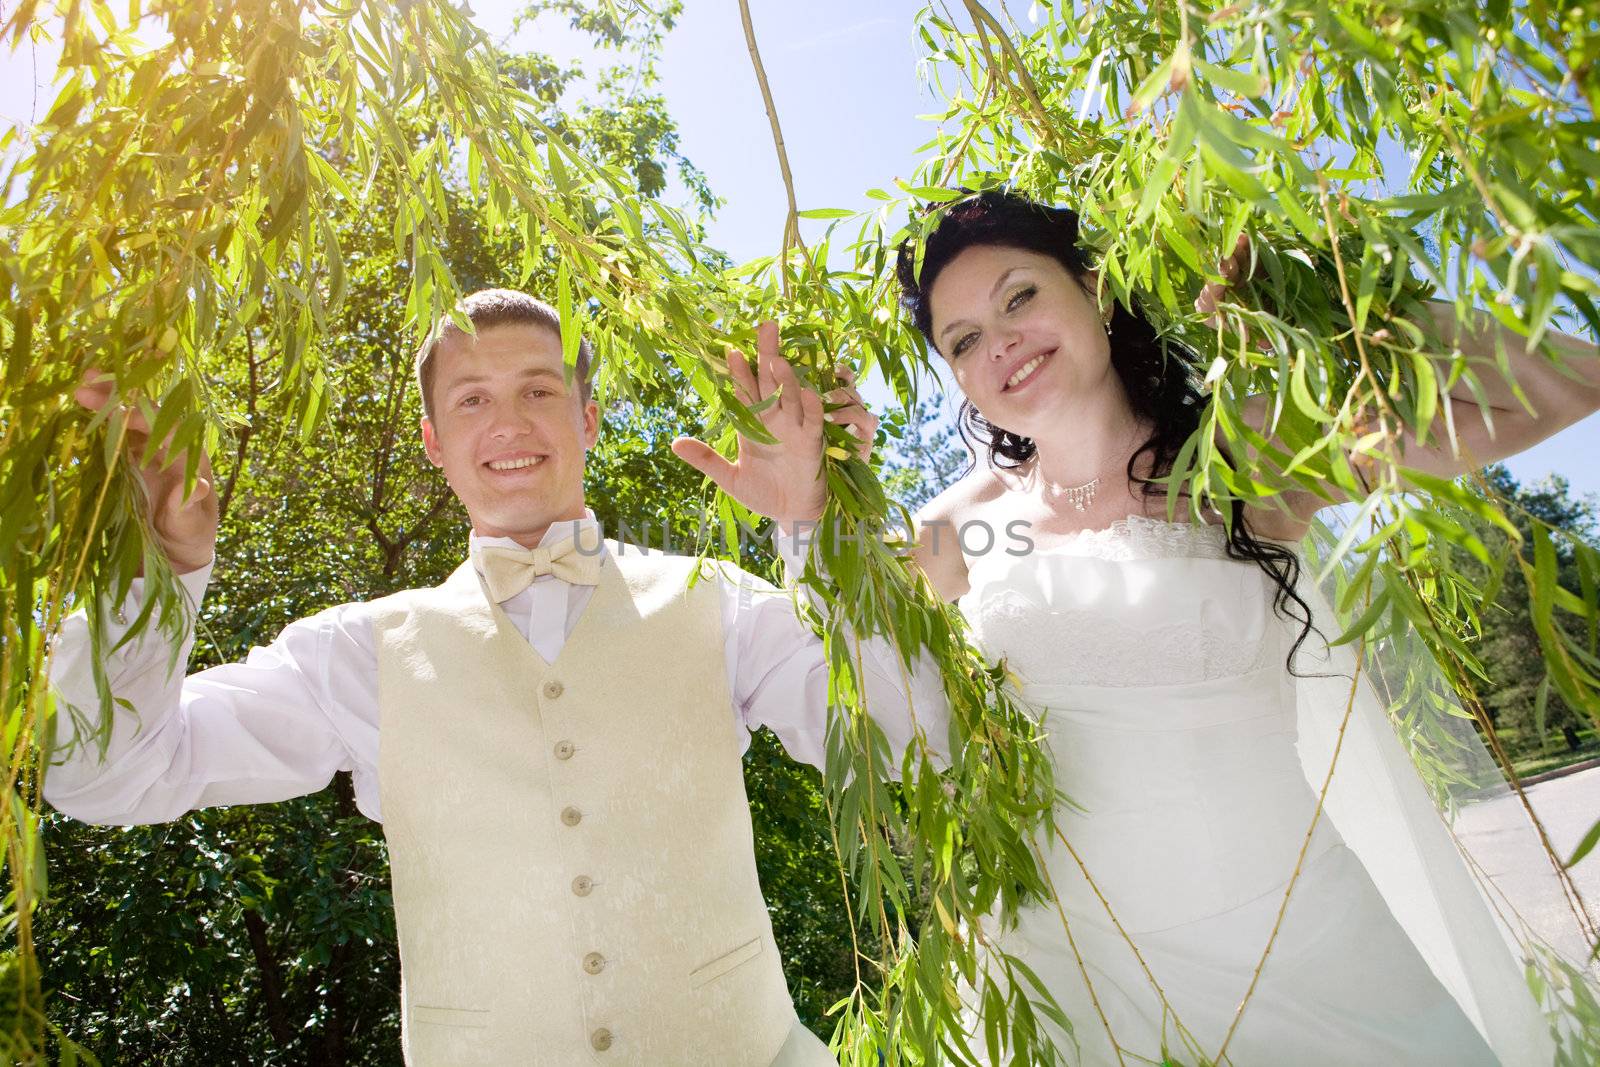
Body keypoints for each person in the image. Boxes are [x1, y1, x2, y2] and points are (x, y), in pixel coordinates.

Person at [46, 289, 947, 1066]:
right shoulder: (359, 654)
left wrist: (814, 520)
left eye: (539, 390)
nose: (509, 424)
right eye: (474, 399)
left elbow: (913, 743)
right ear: (435, 443)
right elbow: (111, 772)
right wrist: (151, 565)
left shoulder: (723, 605)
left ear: (588, 418)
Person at [894, 190, 1600, 1065]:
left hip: (1301, 959)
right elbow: (876, 706)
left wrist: (1346, 314)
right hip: (1072, 987)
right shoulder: (955, 530)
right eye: (962, 340)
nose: (998, 341)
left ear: (1096, 287)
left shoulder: (1240, 455)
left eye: (1019, 296)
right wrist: (803, 519)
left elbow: (1560, 384)